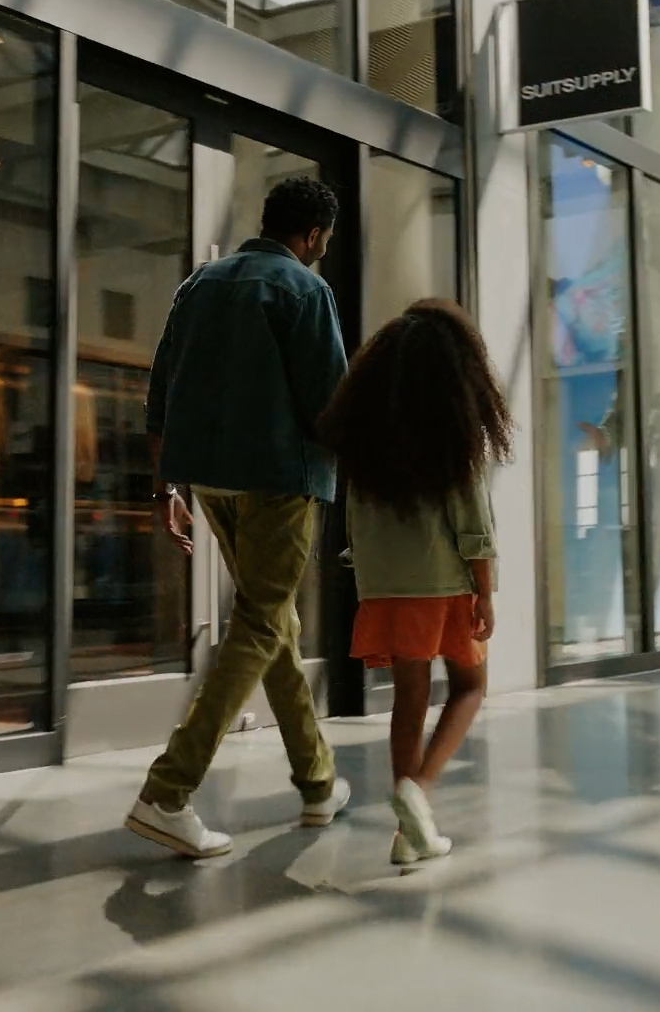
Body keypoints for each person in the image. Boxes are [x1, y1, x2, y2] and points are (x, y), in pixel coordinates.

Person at [127, 176, 352, 858]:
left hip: (209, 482)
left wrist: (167, 485)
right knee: (259, 624)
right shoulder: (306, 291)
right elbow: (331, 403)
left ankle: (317, 782)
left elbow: (161, 389)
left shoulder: (200, 284)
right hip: (280, 482)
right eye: (324, 240)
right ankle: (166, 793)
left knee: (272, 620)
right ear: (313, 235)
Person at [318, 299, 510, 864]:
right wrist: (485, 590)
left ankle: (409, 838)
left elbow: (352, 513)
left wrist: (368, 576)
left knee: (408, 698)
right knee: (471, 686)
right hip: (443, 583)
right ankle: (416, 792)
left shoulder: (367, 435)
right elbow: (472, 521)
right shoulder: (454, 431)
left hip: (384, 586)